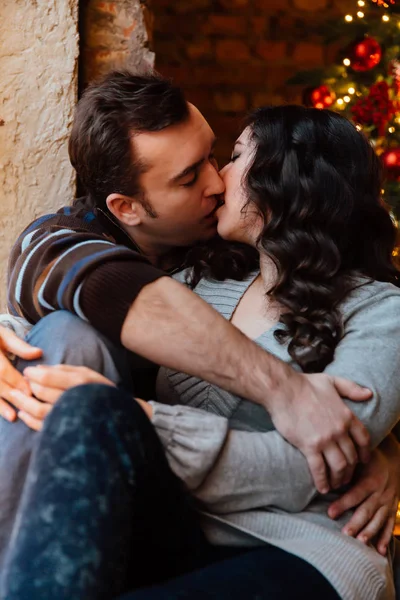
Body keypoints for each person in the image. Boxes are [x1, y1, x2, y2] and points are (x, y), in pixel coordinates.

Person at [2, 106, 400, 600]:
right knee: (83, 396)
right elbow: (69, 287)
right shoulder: (198, 277)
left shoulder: (383, 311)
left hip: (302, 546)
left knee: (95, 408)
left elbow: (307, 470)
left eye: (232, 157)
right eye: (198, 169)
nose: (218, 179)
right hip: (175, 526)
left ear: (287, 179)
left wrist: (141, 419)